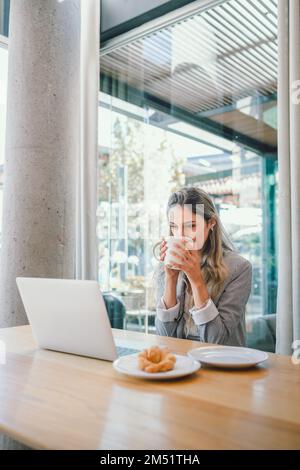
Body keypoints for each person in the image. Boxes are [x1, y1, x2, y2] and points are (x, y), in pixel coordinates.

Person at [154, 186, 252, 346]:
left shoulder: (239, 268)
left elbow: (216, 341)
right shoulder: (166, 264)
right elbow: (164, 337)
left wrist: (196, 280)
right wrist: (170, 279)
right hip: (181, 363)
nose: (180, 235)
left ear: (211, 223)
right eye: (174, 226)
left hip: (222, 365)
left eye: (191, 226)